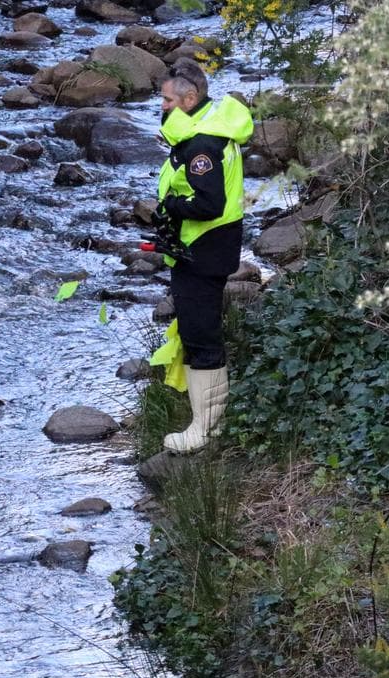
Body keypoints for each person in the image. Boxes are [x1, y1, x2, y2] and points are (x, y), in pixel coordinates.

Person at [151, 57, 254, 453]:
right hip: (207, 249)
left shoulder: (202, 145)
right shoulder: (210, 128)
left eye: (166, 101)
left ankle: (204, 430)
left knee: (201, 335)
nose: (161, 106)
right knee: (197, 331)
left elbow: (209, 203)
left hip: (203, 251)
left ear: (189, 98)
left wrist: (173, 207)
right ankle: (204, 421)